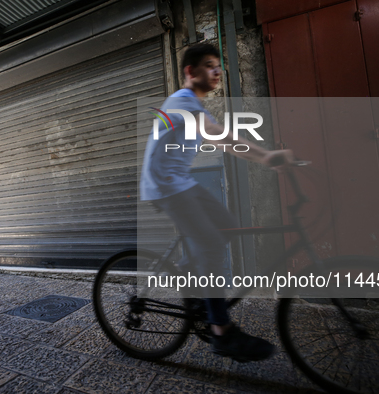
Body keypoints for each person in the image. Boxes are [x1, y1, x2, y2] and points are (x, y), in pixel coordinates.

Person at [140, 43, 293, 362]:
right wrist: (267, 156)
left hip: (180, 182)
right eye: (210, 65)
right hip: (166, 186)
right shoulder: (182, 101)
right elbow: (219, 135)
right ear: (190, 71)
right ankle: (221, 333)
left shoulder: (193, 105)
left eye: (218, 66)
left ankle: (189, 276)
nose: (217, 71)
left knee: (227, 226)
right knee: (210, 245)